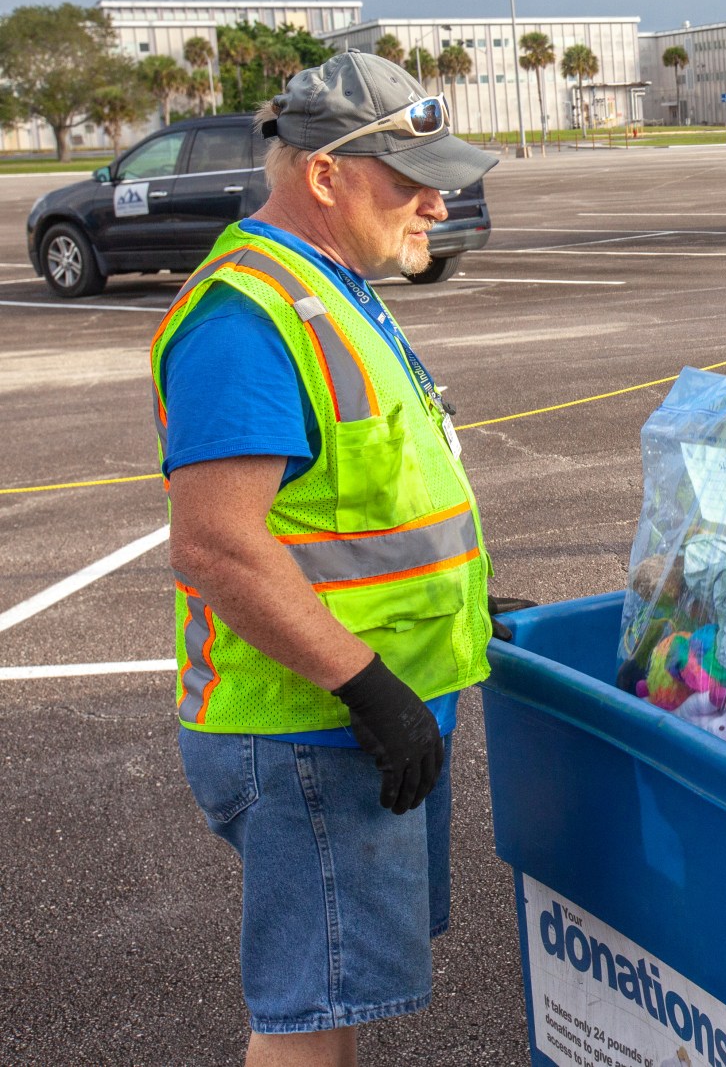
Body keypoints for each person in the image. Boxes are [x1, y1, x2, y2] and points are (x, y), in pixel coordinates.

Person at [155, 52, 499, 1066]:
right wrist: (367, 688)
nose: (436, 203)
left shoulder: (327, 284)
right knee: (310, 1022)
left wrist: (460, 600)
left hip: (350, 708)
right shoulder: (246, 319)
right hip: (309, 723)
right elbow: (217, 542)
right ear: (324, 175)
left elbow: (360, 505)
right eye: (410, 180)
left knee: (328, 1004)